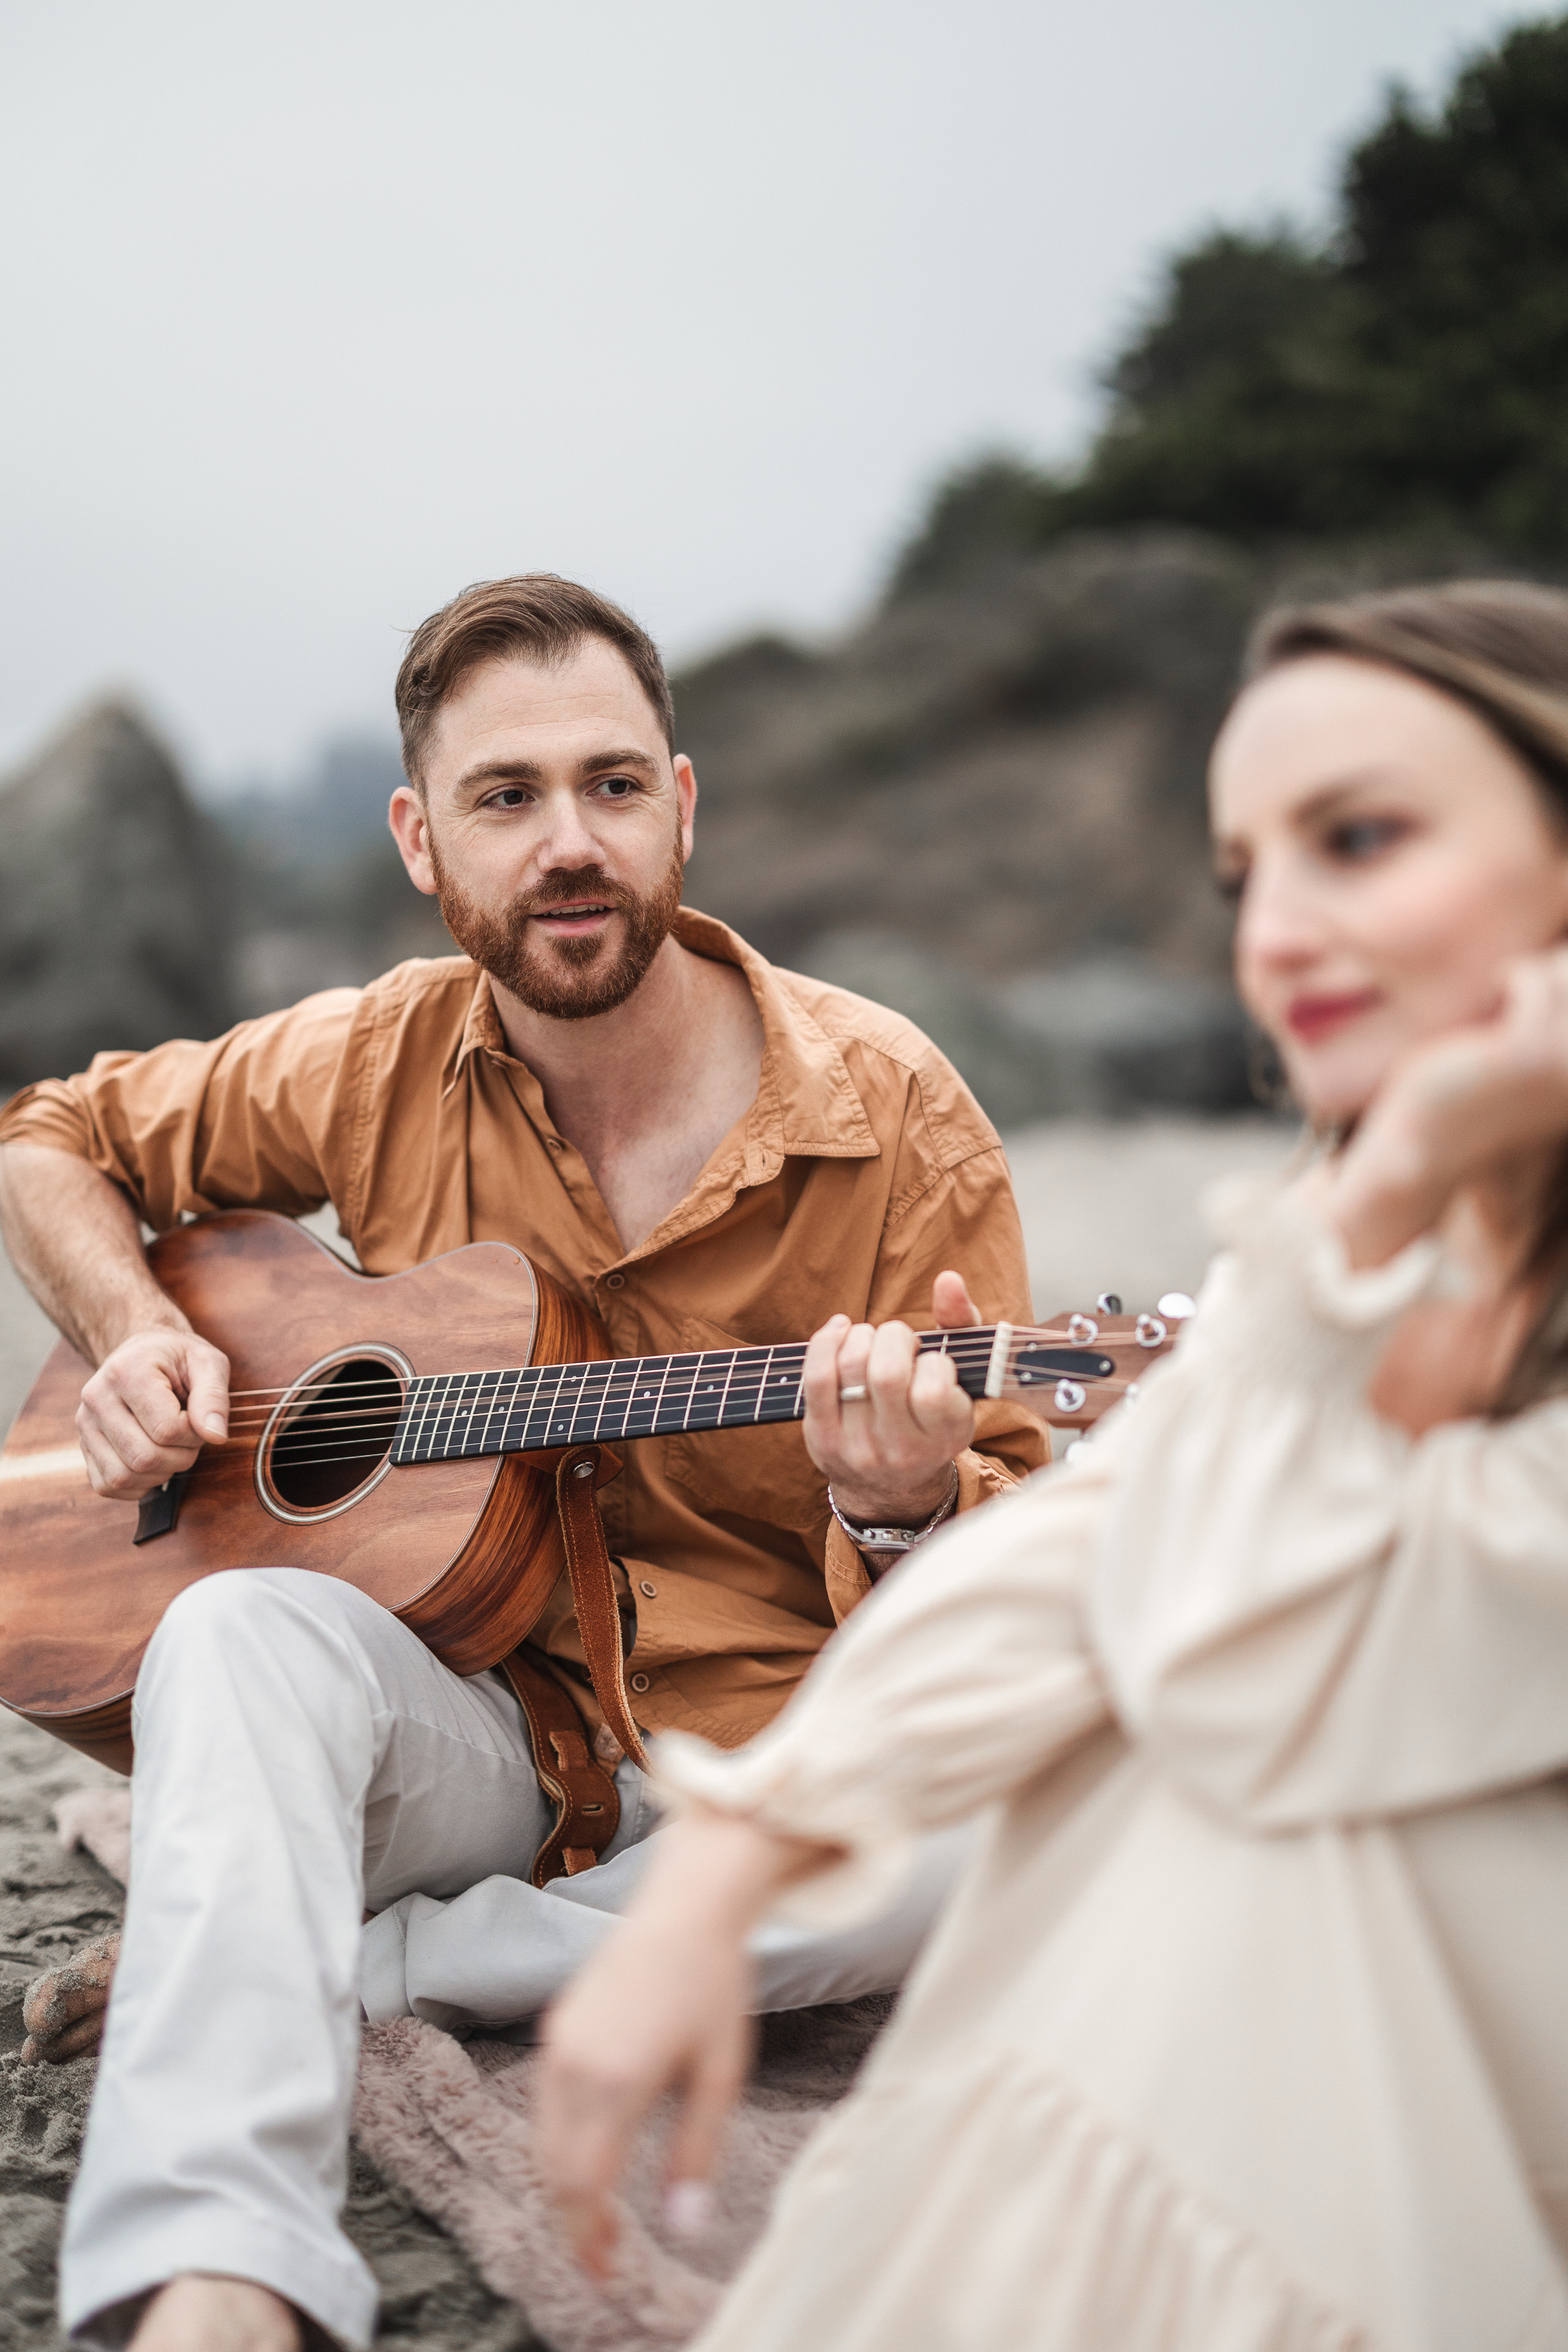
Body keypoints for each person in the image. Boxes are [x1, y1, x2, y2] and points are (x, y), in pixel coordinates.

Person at [0, 574, 1046, 2352]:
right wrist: (135, 1335)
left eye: (613, 787)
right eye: (508, 797)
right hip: (480, 1736)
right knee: (232, 1637)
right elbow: (54, 1136)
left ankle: (364, 1965)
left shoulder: (896, 1114)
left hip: (762, 1771)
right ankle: (219, 2269)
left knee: (1004, 1821)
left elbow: (1019, 1586)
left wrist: (909, 1499)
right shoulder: (371, 1056)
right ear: (422, 839)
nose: (572, 843)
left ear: (682, 804)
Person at [540, 578, 1568, 2351]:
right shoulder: (1352, 1267)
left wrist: (1386, 1185)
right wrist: (727, 1863)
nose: (1284, 933)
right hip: (1241, 2065)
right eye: (1250, 875)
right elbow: (1088, 1542)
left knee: (1190, 1794)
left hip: (1462, 2084)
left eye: (1363, 838)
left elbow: (1266, 1644)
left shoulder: (1351, 1245)